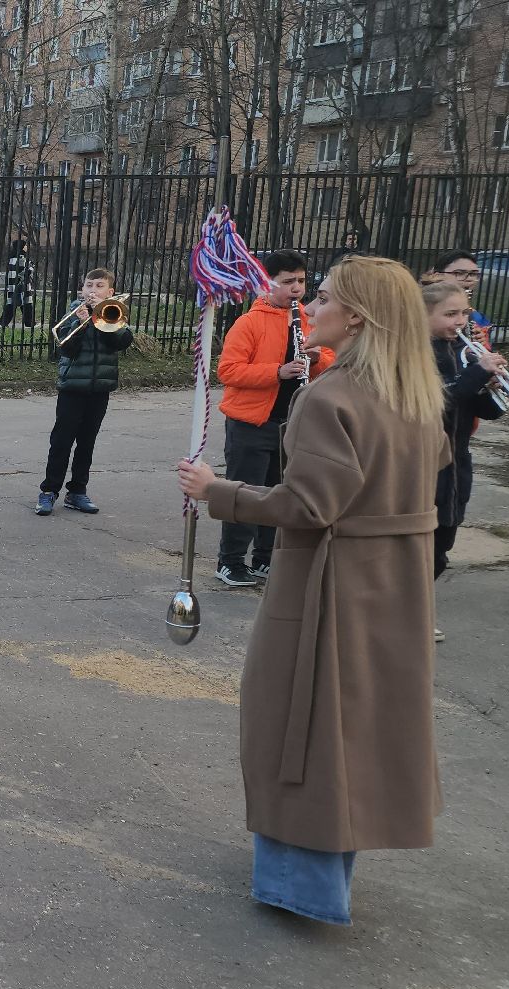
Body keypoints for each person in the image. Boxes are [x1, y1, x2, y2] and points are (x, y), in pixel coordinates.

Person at [176, 256, 449, 927]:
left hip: (329, 584)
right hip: (393, 585)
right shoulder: (411, 391)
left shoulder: (332, 397)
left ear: (354, 316)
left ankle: (301, 886)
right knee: (353, 726)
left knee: (299, 721)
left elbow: (309, 504)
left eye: (323, 298)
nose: (311, 307)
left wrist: (218, 492)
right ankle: (326, 875)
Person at [213, 250, 334, 588]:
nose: (297, 288)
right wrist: (276, 372)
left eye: (301, 280)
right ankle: (230, 561)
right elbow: (228, 371)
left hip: (290, 422)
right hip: (250, 423)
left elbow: (331, 357)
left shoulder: (309, 320)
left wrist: (317, 359)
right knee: (246, 493)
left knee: (278, 494)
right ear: (266, 284)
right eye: (287, 282)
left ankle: (265, 559)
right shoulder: (249, 323)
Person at [423, 280, 509, 622]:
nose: (460, 321)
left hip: (458, 461)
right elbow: (438, 401)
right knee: (423, 547)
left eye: (464, 312)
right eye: (450, 314)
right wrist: (476, 375)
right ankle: (408, 612)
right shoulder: (417, 352)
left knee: (442, 546)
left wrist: (493, 391)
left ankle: (413, 609)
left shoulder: (462, 352)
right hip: (427, 463)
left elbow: (479, 409)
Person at [37, 268, 132, 515]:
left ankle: (77, 491)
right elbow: (66, 349)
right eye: (89, 285)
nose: (93, 290)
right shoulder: (74, 310)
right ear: (82, 288)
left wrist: (103, 318)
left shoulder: (115, 312)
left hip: (100, 387)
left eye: (99, 286)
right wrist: (80, 321)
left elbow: (121, 342)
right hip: (72, 386)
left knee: (87, 442)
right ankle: (49, 491)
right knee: (61, 441)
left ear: (110, 291)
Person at [425, 250, 493, 343]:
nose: (469, 279)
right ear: (438, 275)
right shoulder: (421, 304)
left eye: (473, 274)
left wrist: (480, 344)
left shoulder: (476, 317)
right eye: (459, 273)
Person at [0, 234, 35, 328]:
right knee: (26, 305)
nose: (26, 247)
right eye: (25, 245)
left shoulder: (12, 258)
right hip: (22, 286)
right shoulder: (22, 258)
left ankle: (3, 323)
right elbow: (25, 272)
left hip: (12, 285)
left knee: (12, 304)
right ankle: (29, 323)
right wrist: (31, 267)